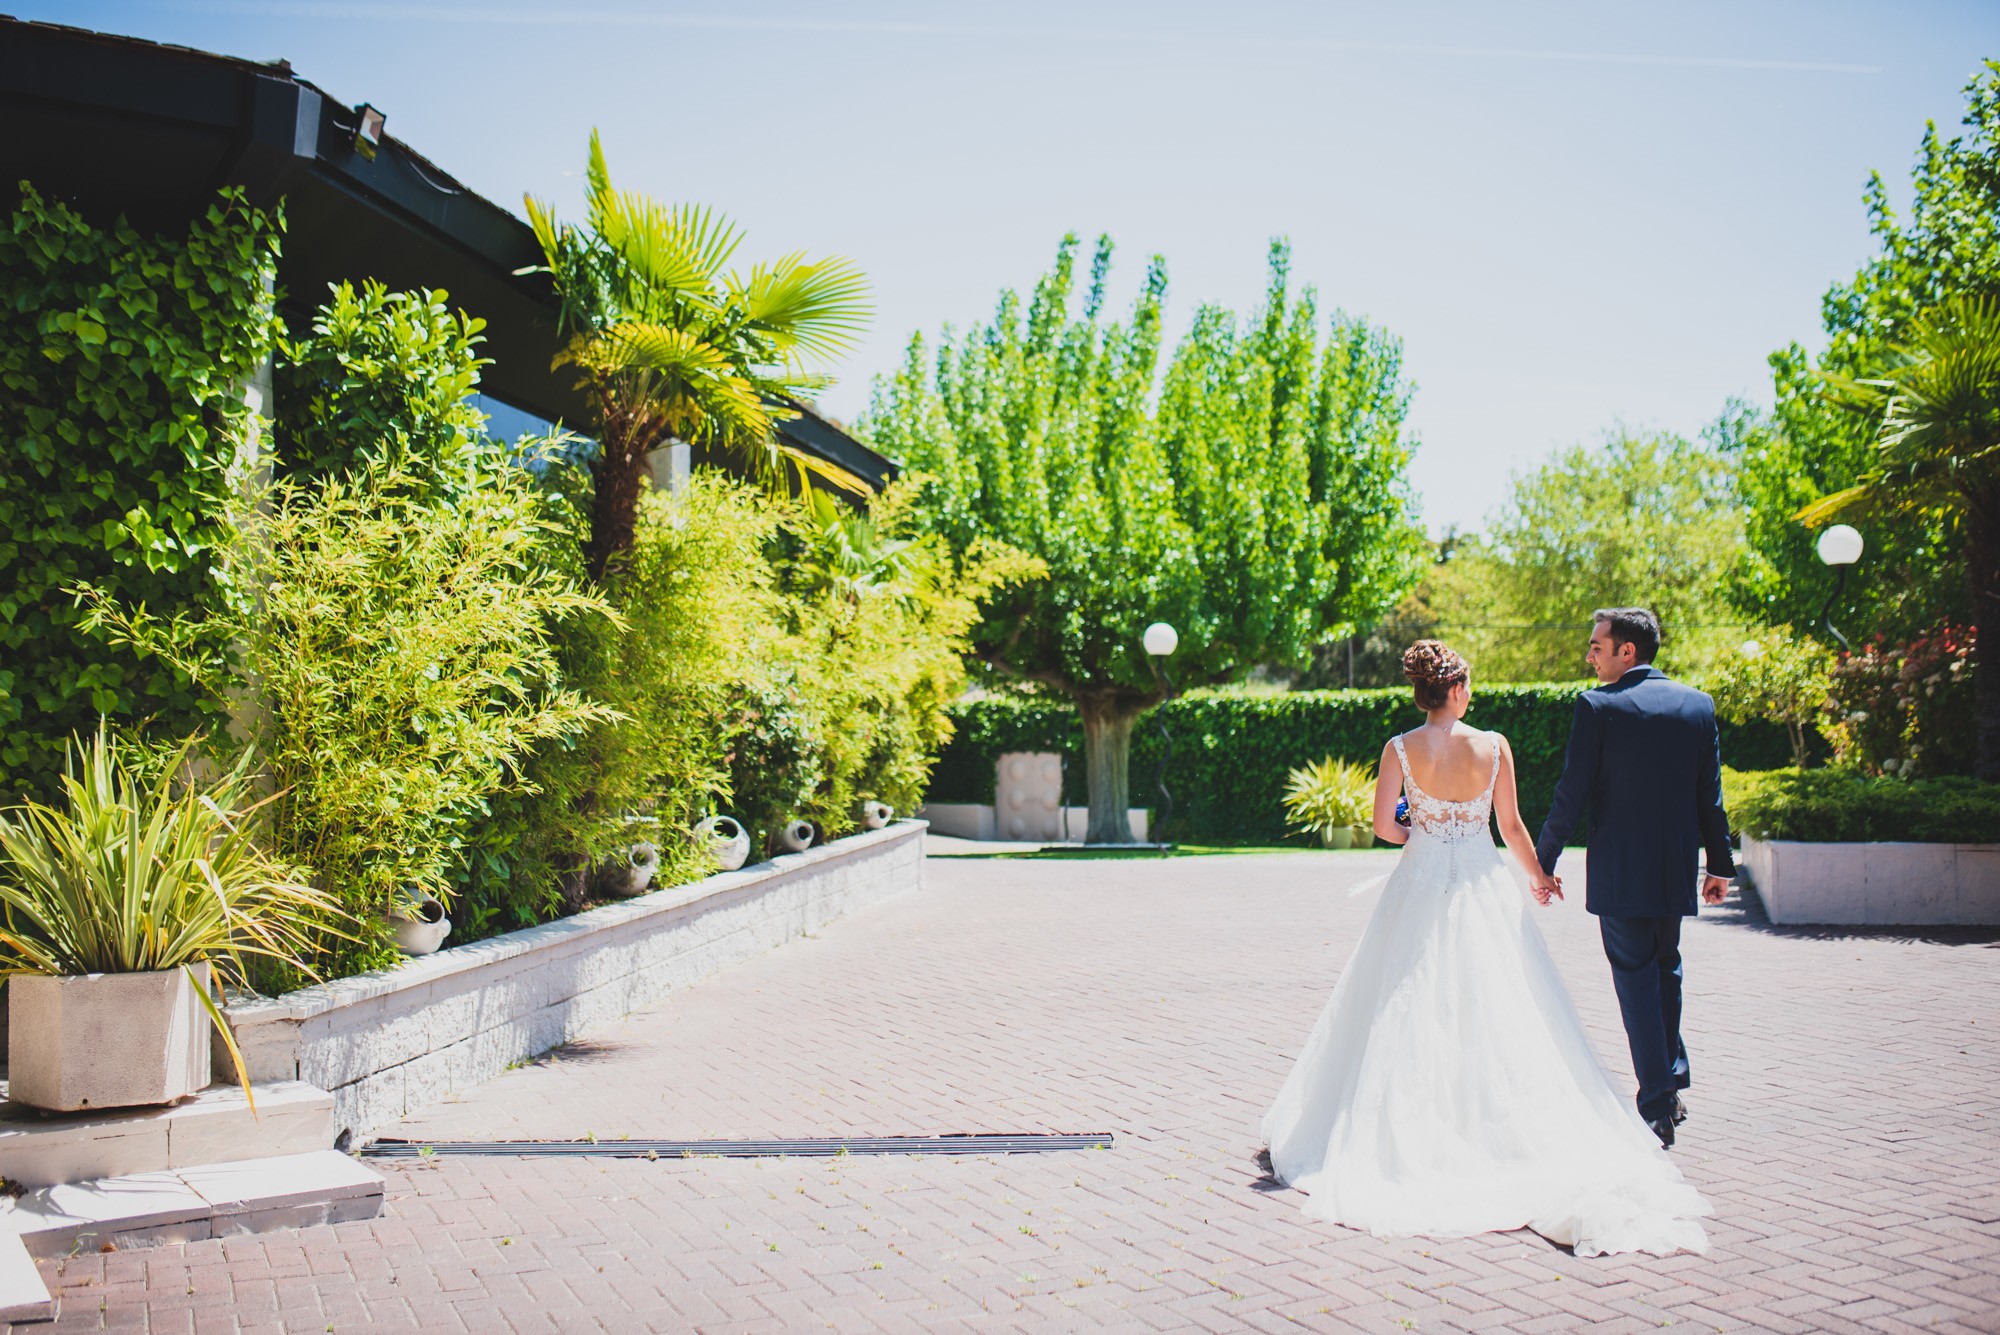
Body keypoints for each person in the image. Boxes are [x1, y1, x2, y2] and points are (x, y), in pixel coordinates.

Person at [1261, 639, 1711, 1257]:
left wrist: (1421, 826)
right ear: (1456, 689)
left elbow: (1383, 828)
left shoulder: (1398, 748)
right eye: (1467, 684)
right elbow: (1513, 827)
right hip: (1480, 885)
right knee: (1502, 1005)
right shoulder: (1493, 745)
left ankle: (1406, 1132)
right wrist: (1541, 878)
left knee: (1401, 1002)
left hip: (1417, 884)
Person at [1535, 608, 1734, 1149]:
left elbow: (1570, 793)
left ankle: (1656, 1102)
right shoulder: (1697, 705)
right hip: (1673, 868)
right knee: (1665, 969)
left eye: (1597, 646)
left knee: (1636, 979)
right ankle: (1670, 1081)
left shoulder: (1598, 707)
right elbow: (1709, 797)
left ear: (1628, 651)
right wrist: (1718, 864)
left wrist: (1543, 861)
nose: (1589, 655)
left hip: (1620, 872)